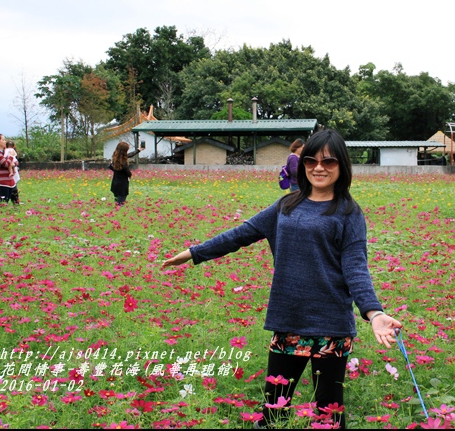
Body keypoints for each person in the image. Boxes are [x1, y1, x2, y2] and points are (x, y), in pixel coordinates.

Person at [161, 129, 401, 428]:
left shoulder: (348, 213)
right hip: (288, 321)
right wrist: (194, 253)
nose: (318, 167)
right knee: (274, 411)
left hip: (331, 327)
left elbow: (355, 268)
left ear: (342, 166)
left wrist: (374, 312)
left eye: (329, 161)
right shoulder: (286, 206)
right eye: (311, 160)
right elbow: (241, 234)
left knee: (329, 415)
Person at [109, 141, 142, 206]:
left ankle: (117, 203)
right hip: (122, 183)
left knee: (117, 198)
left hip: (115, 182)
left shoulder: (114, 158)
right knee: (121, 203)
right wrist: (130, 175)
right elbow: (127, 172)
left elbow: (110, 166)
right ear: (124, 151)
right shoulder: (123, 162)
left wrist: (138, 150)